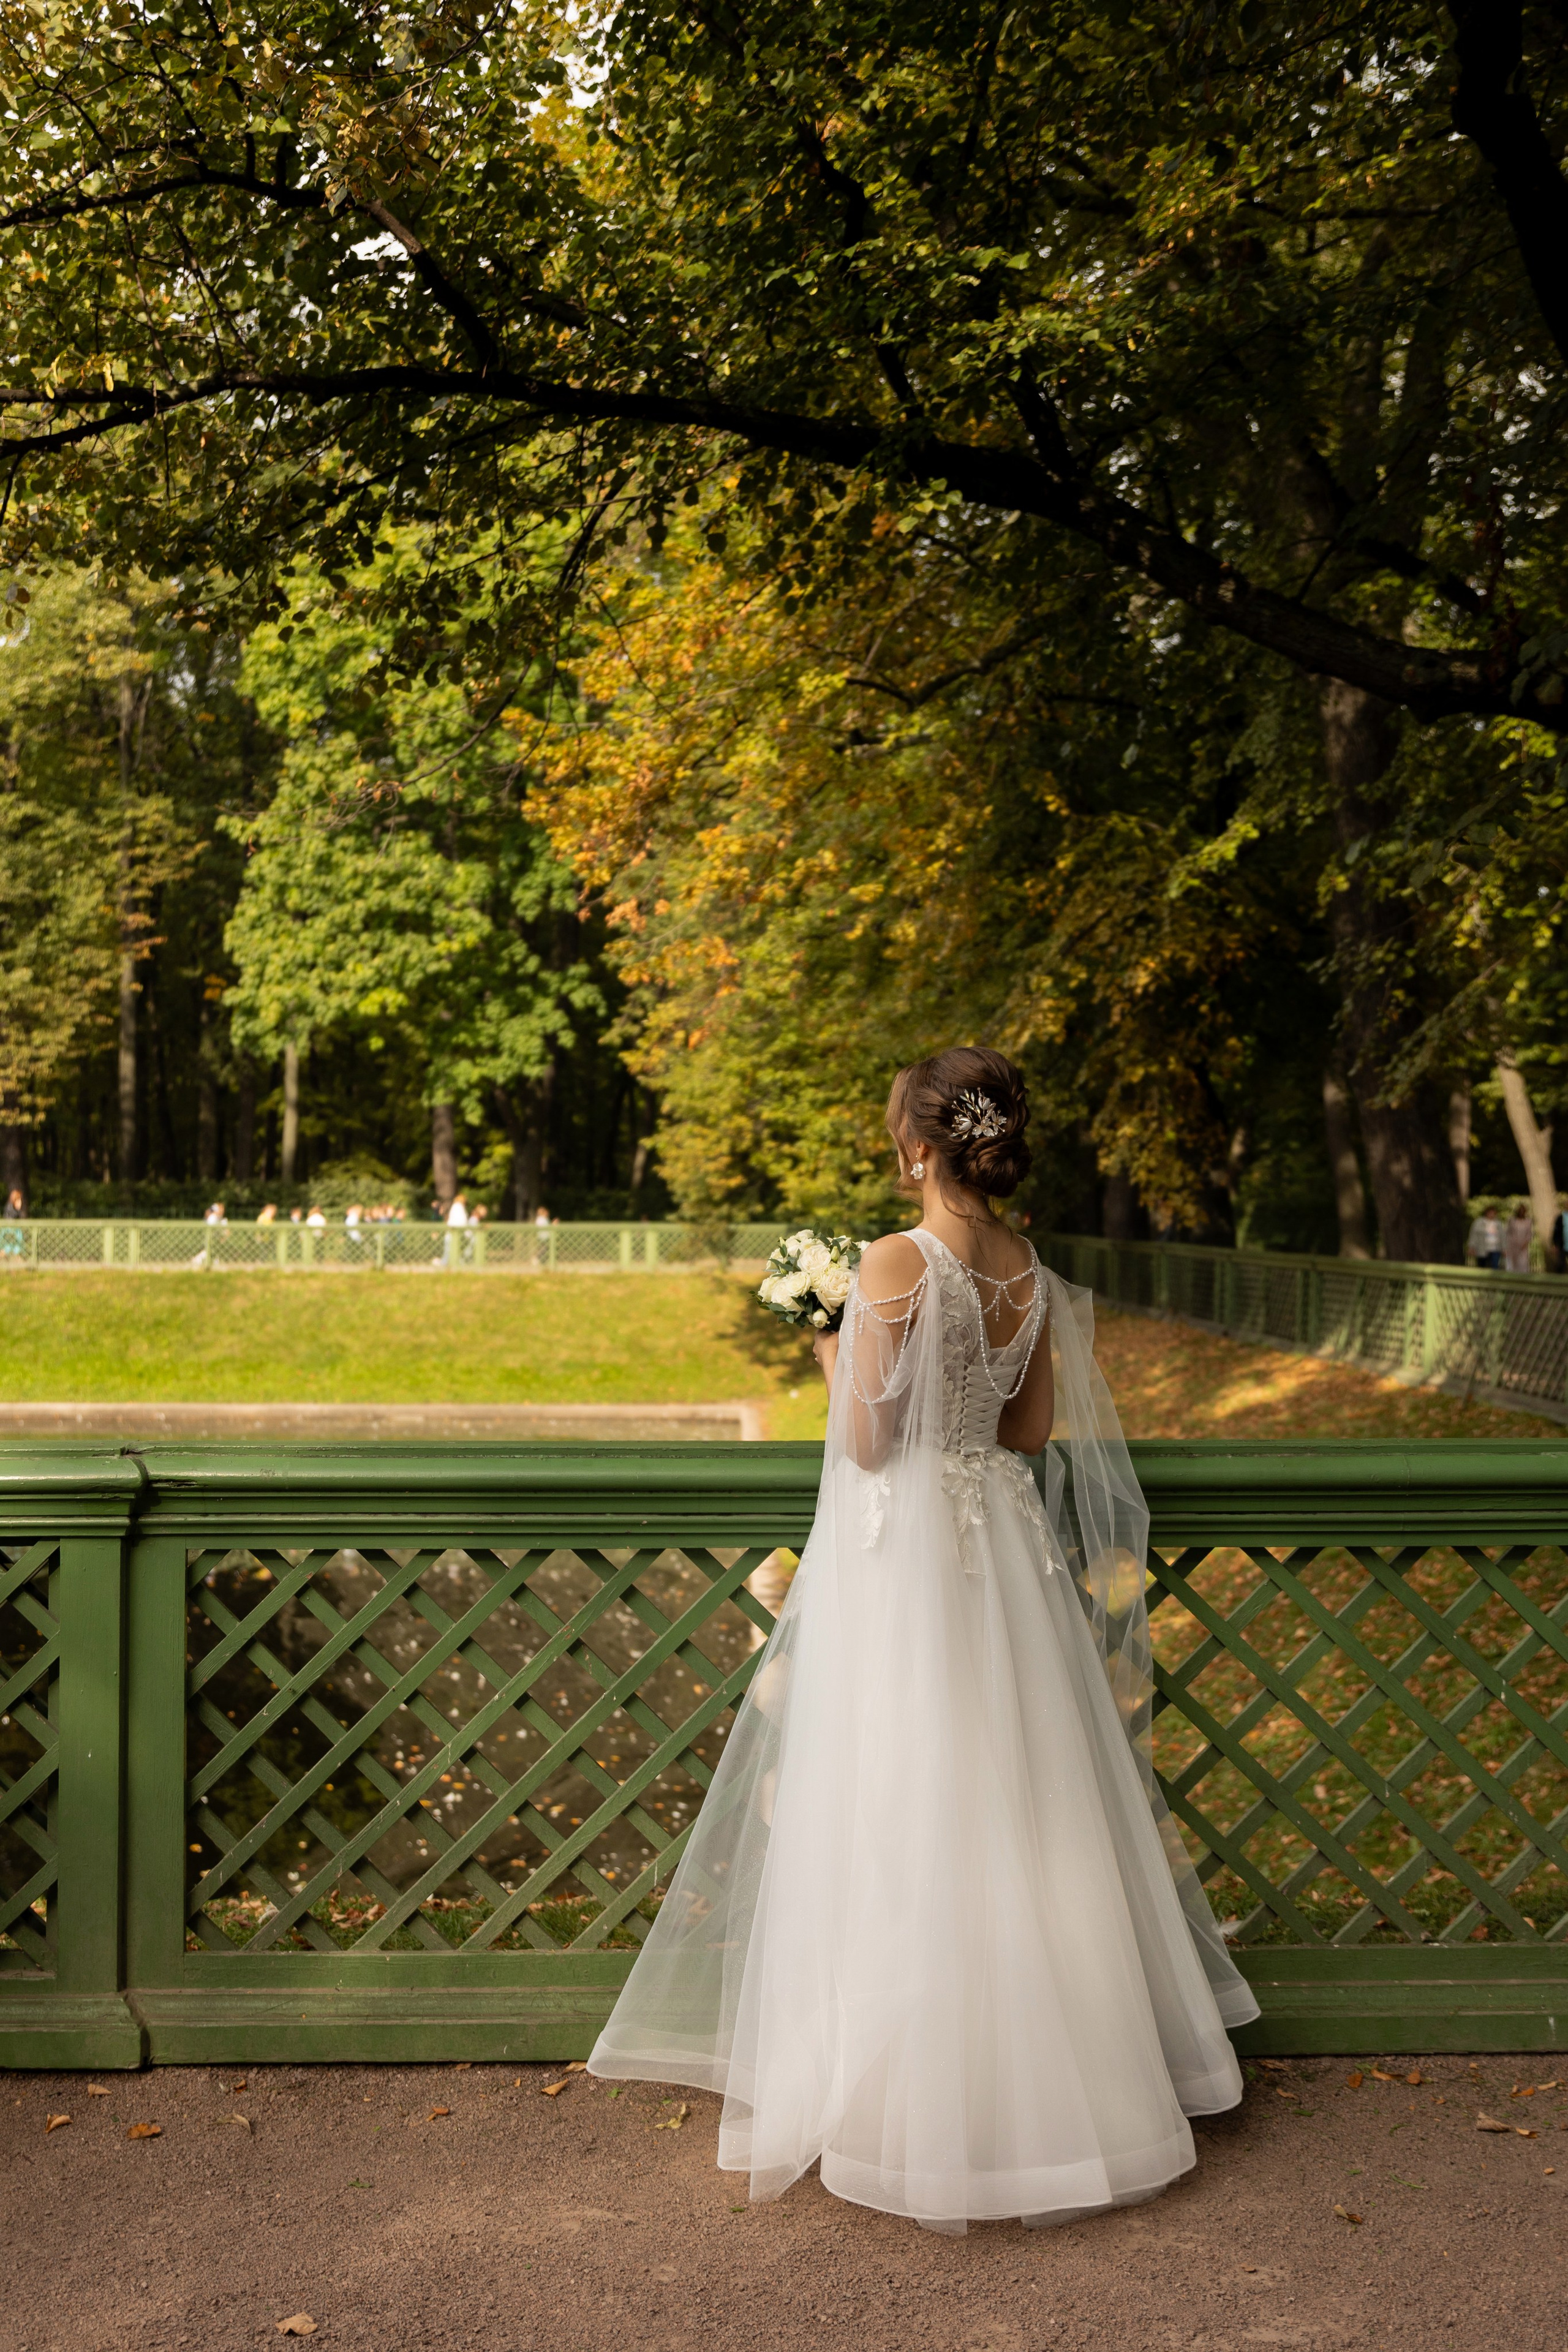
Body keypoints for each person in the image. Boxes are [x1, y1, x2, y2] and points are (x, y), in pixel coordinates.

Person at [589, 1046, 1256, 2231]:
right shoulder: (1026, 1268)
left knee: (902, 1801)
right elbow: (1033, 1428)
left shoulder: (895, 1260)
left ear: (916, 1141)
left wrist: (825, 1335)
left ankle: (907, 2097)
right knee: (1021, 1802)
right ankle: (1062, 2090)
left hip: (901, 1561)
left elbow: (864, 1439)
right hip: (998, 1549)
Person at [1467, 1205, 1503, 1269]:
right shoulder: (1479, 1223)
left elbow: (1503, 1236)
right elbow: (1474, 1235)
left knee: (1495, 1266)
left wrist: (1504, 1248)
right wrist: (1472, 1247)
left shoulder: (1498, 1224)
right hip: (1483, 1248)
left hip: (1495, 1248)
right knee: (1482, 1266)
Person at [1504, 1200, 1533, 1275]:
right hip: (1512, 1245)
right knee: (1511, 1264)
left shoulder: (1528, 1221)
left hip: (1523, 1246)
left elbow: (1530, 1234)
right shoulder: (1512, 1221)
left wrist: (1526, 1243)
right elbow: (1507, 1232)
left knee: (1523, 1264)